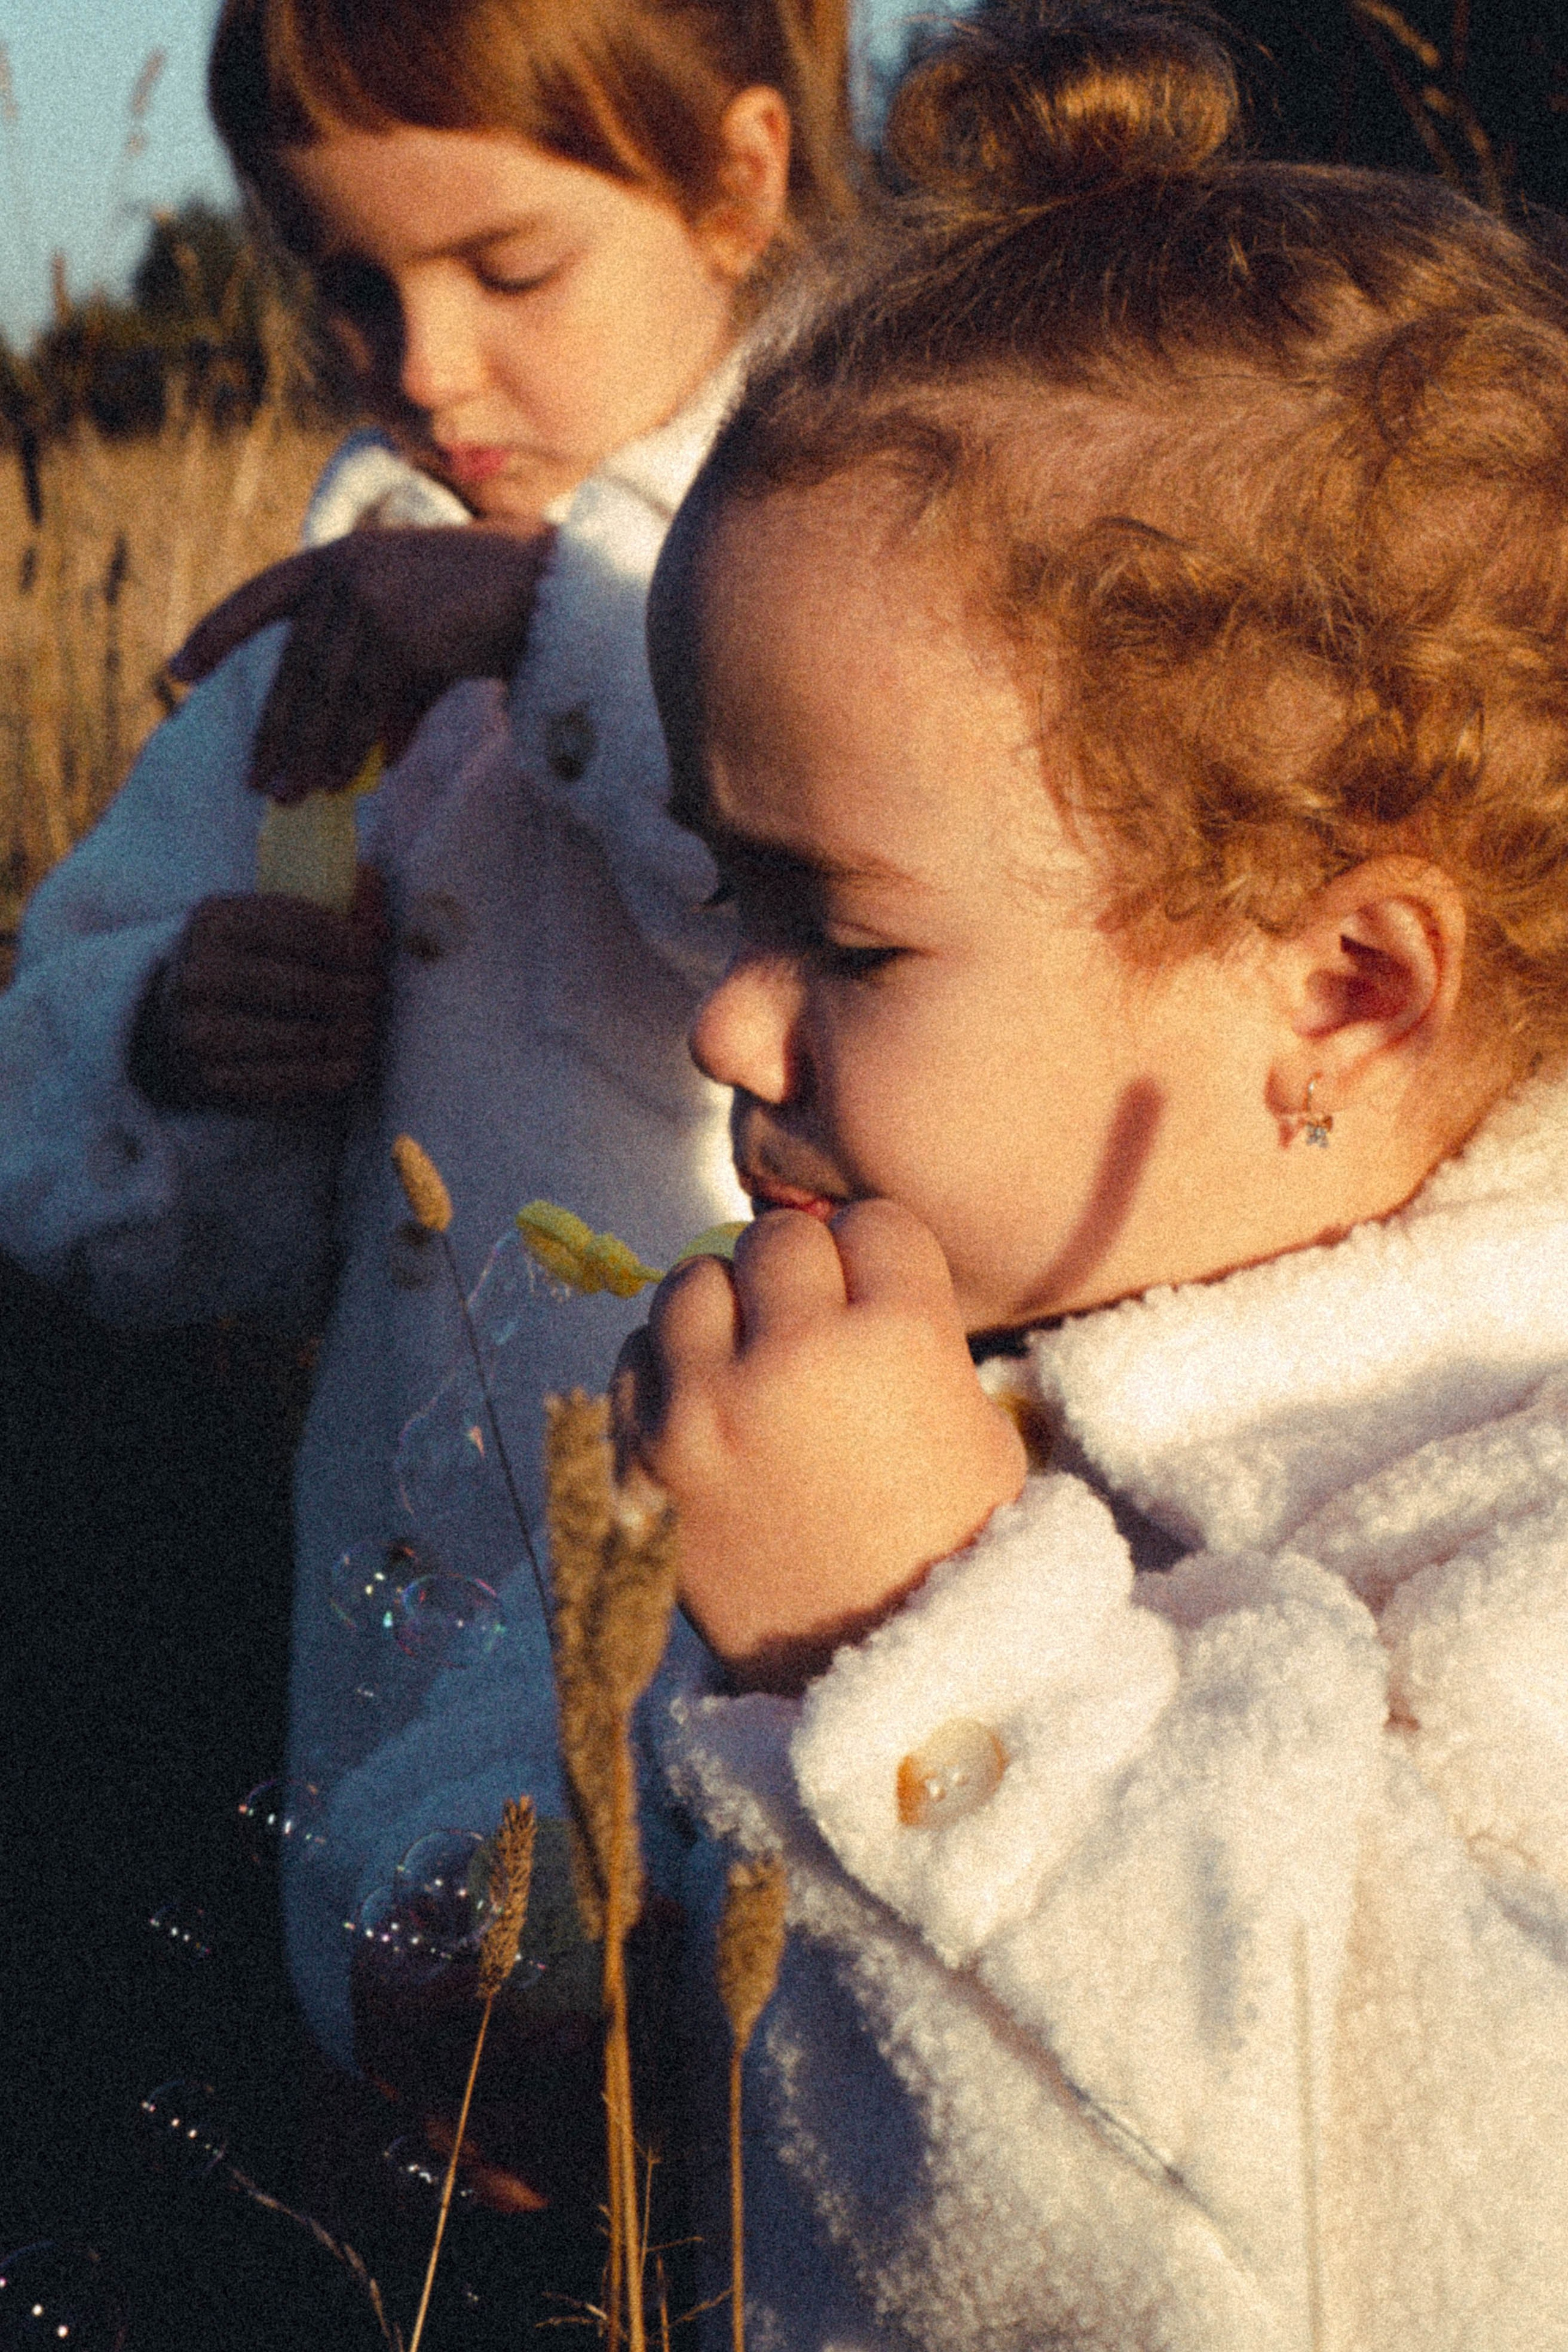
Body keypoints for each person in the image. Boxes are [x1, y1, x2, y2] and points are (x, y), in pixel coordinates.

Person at [616, 4, 1568, 2343]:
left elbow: (1441, 2244)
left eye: (838, 931)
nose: (732, 1021)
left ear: (1346, 984)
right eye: (729, 903)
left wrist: (925, 1638)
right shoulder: (985, 1348)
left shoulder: (1515, 1537)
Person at [0, 0, 856, 2072]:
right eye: (346, 282)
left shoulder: (875, 537)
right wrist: (170, 1035)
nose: (423, 362)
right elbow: (56, 1131)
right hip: (397, 1692)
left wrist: (550, 623)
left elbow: (874, 932)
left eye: (509, 268)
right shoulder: (332, 612)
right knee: (438, 2174)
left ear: (737, 181)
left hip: (775, 1707)